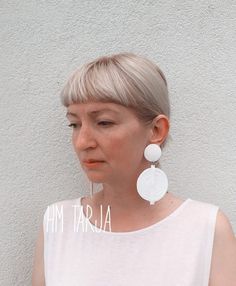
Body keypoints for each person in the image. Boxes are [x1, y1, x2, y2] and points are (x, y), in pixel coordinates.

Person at [32, 52, 236, 286]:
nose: (82, 142)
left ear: (157, 130)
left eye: (104, 122)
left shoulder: (207, 229)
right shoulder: (58, 222)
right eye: (74, 124)